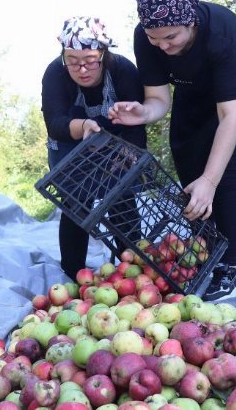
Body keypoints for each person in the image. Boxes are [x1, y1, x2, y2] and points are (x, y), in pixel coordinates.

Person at [108, 0, 236, 301]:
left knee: (222, 175)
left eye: (171, 37)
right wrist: (142, 112)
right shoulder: (147, 38)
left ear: (191, 22)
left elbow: (229, 116)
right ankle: (205, 250)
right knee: (186, 160)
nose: (163, 47)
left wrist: (210, 180)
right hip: (193, 90)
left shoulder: (221, 32)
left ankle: (230, 269)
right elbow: (158, 99)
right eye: (155, 39)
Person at [42, 16, 147, 282]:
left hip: (115, 137)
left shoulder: (123, 70)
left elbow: (135, 124)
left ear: (103, 53)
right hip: (69, 138)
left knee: (121, 194)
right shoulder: (55, 73)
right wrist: (83, 126)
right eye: (73, 61)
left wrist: (130, 155)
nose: (82, 69)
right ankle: (74, 271)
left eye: (90, 60)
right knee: (76, 200)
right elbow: (54, 123)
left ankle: (132, 265)